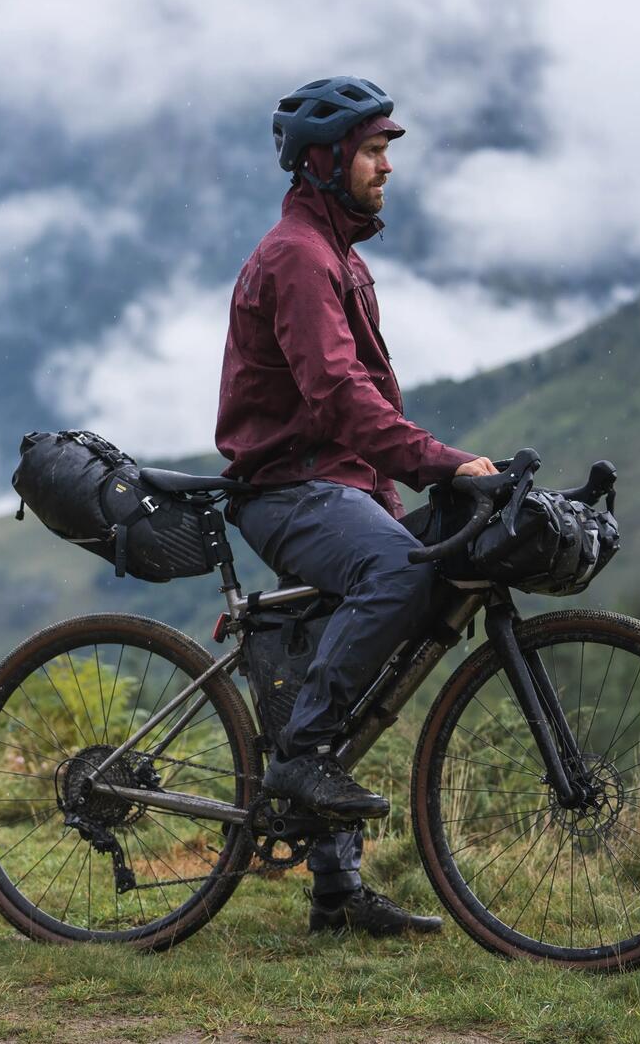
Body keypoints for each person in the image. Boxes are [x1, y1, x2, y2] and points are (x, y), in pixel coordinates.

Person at [215, 76, 498, 937]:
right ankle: (300, 762)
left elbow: (363, 400)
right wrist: (443, 465)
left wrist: (403, 484)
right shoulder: (300, 258)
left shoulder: (342, 255)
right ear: (325, 160)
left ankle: (336, 894)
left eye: (384, 151)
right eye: (374, 151)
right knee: (392, 571)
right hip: (285, 490)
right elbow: (339, 397)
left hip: (335, 486)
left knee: (362, 637)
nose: (387, 168)